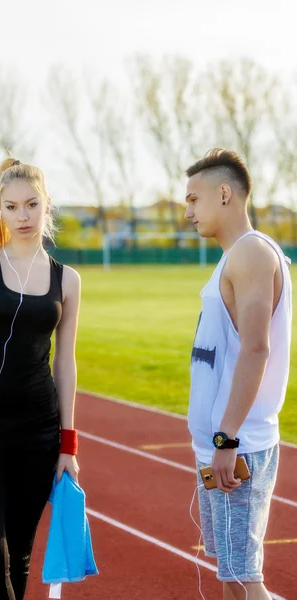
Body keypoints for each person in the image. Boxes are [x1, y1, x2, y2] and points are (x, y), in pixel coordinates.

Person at [0, 158, 81, 600]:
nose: (22, 216)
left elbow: (66, 363)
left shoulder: (68, 280)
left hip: (40, 435)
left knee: (20, 554)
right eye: (11, 207)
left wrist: (67, 445)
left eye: (31, 204)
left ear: (47, 206)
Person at [185, 149, 292, 600]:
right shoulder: (233, 256)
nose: (188, 212)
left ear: (224, 193)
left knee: (248, 580)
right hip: (219, 445)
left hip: (236, 444)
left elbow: (255, 347)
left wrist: (226, 438)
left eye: (194, 199)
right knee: (231, 574)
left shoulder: (250, 253)